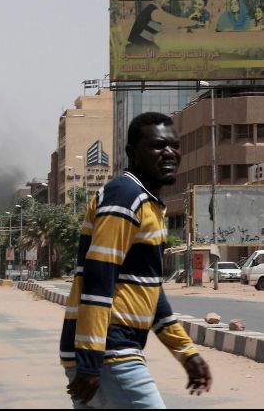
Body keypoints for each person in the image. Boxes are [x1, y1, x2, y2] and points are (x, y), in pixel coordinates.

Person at [62, 112, 212, 409]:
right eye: (157, 146)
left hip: (109, 350)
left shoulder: (150, 205)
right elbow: (98, 276)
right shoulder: (125, 196)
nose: (169, 153)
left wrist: (186, 352)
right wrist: (91, 359)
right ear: (132, 153)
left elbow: (150, 290)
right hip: (109, 350)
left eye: (174, 145)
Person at [126, 0, 196, 54]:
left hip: (138, 42)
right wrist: (194, 22)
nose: (168, 4)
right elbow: (175, 20)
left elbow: (159, 27)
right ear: (161, 1)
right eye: (167, 2)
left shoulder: (149, 9)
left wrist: (178, 29)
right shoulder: (155, 12)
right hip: (140, 46)